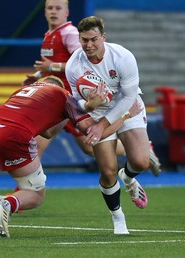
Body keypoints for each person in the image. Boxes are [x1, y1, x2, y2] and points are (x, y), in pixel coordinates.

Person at [0, 76, 141, 238]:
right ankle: (5, 204)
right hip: (13, 134)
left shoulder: (25, 90)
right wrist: (124, 115)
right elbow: (94, 135)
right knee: (35, 194)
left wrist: (68, 113)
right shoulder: (65, 97)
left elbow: (48, 131)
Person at [65, 16, 154, 234]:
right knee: (107, 170)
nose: (89, 45)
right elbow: (78, 103)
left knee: (141, 161)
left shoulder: (123, 57)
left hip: (126, 104)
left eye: (94, 39)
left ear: (103, 37)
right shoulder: (73, 65)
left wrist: (101, 125)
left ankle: (129, 177)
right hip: (98, 111)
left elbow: (129, 97)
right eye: (84, 40)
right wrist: (90, 105)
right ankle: (118, 219)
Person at [22, 0, 129, 161]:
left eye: (58, 8)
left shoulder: (69, 34)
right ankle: (29, 184)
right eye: (50, 8)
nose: (53, 12)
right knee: (85, 147)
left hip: (71, 100)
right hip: (56, 100)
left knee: (89, 146)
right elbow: (51, 65)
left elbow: (84, 63)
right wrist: (37, 76)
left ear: (66, 12)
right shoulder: (49, 35)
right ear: (44, 12)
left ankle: (134, 148)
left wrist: (52, 67)